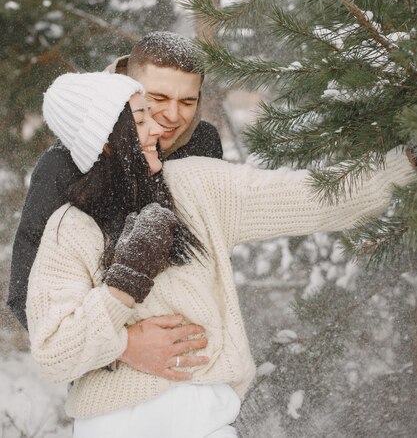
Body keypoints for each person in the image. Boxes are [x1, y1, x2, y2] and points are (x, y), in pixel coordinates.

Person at [27, 71, 416, 438]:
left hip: (206, 420)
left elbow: (311, 198)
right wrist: (123, 289)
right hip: (116, 426)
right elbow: (54, 352)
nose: (159, 129)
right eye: (140, 121)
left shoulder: (197, 186)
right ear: (105, 139)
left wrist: (405, 166)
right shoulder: (71, 228)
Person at [8, 31, 222, 381]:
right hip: (110, 379)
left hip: (200, 369)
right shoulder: (68, 166)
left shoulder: (201, 144)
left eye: (188, 102)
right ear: (128, 90)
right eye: (157, 99)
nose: (171, 116)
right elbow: (27, 293)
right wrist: (122, 347)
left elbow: (212, 254)